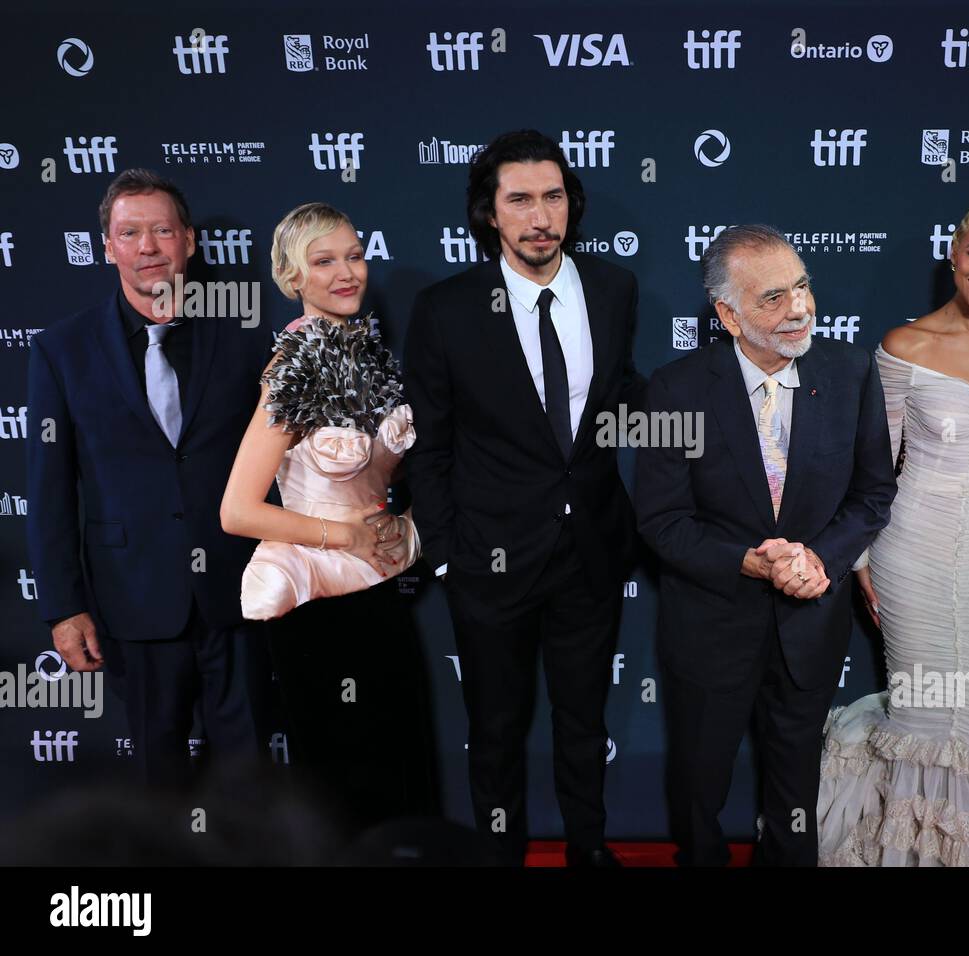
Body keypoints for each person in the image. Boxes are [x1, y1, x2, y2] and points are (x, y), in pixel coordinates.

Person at [403, 130, 643, 866]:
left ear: (571, 203)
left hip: (591, 552)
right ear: (490, 213)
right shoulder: (446, 309)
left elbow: (619, 400)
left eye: (553, 196)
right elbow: (429, 444)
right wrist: (447, 556)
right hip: (490, 561)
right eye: (520, 200)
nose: (540, 217)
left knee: (583, 720)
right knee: (497, 729)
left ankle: (589, 849)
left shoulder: (613, 287)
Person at [635, 224, 897, 866]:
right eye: (773, 298)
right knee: (700, 781)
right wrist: (747, 562)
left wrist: (820, 559)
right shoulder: (673, 391)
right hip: (711, 625)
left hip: (810, 624)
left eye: (802, 287)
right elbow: (662, 521)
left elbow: (872, 495)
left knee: (796, 786)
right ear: (728, 314)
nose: (800, 309)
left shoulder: (852, 371)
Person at [818, 199, 969, 866]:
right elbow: (875, 466)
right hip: (911, 548)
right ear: (953, 253)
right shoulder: (905, 347)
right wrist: (863, 560)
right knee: (923, 718)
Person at [26, 168, 272, 789]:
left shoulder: (245, 335)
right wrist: (64, 607)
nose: (148, 247)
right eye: (129, 232)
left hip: (240, 590)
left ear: (188, 241)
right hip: (131, 598)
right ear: (107, 247)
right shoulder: (63, 349)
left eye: (162, 230)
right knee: (153, 778)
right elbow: (50, 489)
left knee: (247, 776)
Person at [220, 202, 433, 835]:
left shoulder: (369, 353)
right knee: (340, 779)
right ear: (292, 277)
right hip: (315, 603)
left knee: (394, 767)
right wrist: (346, 534)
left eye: (354, 256)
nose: (347, 273)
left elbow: (380, 477)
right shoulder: (293, 368)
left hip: (375, 591)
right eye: (324, 261)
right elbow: (237, 511)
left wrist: (402, 524)